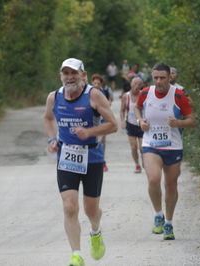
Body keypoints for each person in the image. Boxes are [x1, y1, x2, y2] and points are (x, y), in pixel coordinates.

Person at [44, 58, 118, 266]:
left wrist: (90, 132)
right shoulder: (54, 97)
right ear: (60, 76)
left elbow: (113, 125)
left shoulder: (94, 95)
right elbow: (48, 118)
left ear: (83, 75)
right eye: (65, 73)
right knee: (69, 207)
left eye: (74, 73)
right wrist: (52, 139)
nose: (70, 77)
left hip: (92, 157)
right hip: (66, 158)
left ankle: (95, 231)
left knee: (91, 210)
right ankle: (76, 255)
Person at [134, 63, 196, 240]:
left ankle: (168, 223)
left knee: (171, 185)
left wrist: (178, 123)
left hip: (173, 146)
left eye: (162, 77)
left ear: (170, 77)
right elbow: (137, 107)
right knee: (153, 179)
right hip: (151, 144)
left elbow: (192, 120)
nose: (159, 81)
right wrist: (140, 122)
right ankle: (158, 214)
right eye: (156, 78)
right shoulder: (146, 92)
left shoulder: (178, 95)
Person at [120, 76, 145, 173]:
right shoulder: (126, 96)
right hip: (131, 124)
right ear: (131, 84)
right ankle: (137, 165)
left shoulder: (143, 95)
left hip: (142, 124)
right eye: (135, 83)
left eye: (139, 84)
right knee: (134, 147)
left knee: (143, 147)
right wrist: (122, 121)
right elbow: (122, 110)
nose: (136, 86)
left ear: (142, 86)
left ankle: (145, 161)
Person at [91, 74, 113, 172]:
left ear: (101, 84)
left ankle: (102, 160)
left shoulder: (105, 91)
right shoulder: (88, 92)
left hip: (103, 118)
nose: (96, 85)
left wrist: (106, 104)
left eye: (98, 83)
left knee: (102, 141)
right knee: (93, 140)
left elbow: (109, 102)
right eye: (94, 83)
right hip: (93, 120)